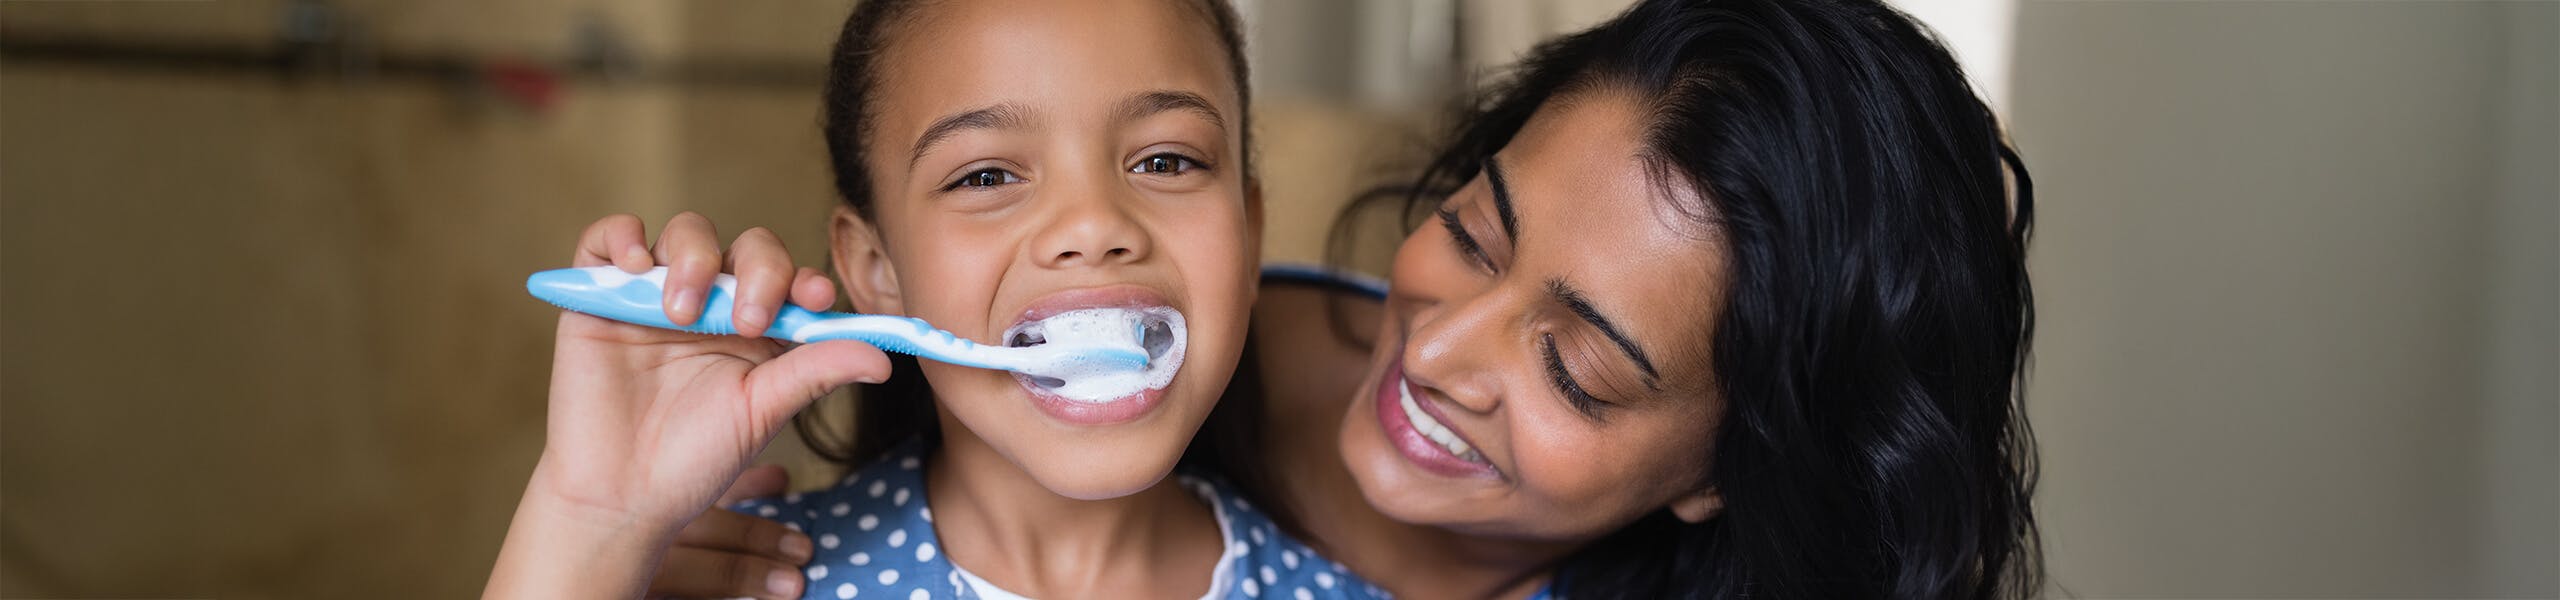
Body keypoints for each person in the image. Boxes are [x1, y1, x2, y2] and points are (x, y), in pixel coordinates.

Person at [656, 0, 2042, 597]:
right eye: (1475, 234)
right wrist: (600, 552)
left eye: (1582, 372)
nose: (1436, 346)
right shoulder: (1167, 321)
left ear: (1729, 474)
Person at [483, 0, 1378, 598]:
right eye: (986, 174)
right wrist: (592, 525)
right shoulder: (719, 581)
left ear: (1250, 231)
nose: (1094, 224)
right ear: (875, 270)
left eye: (1166, 159)